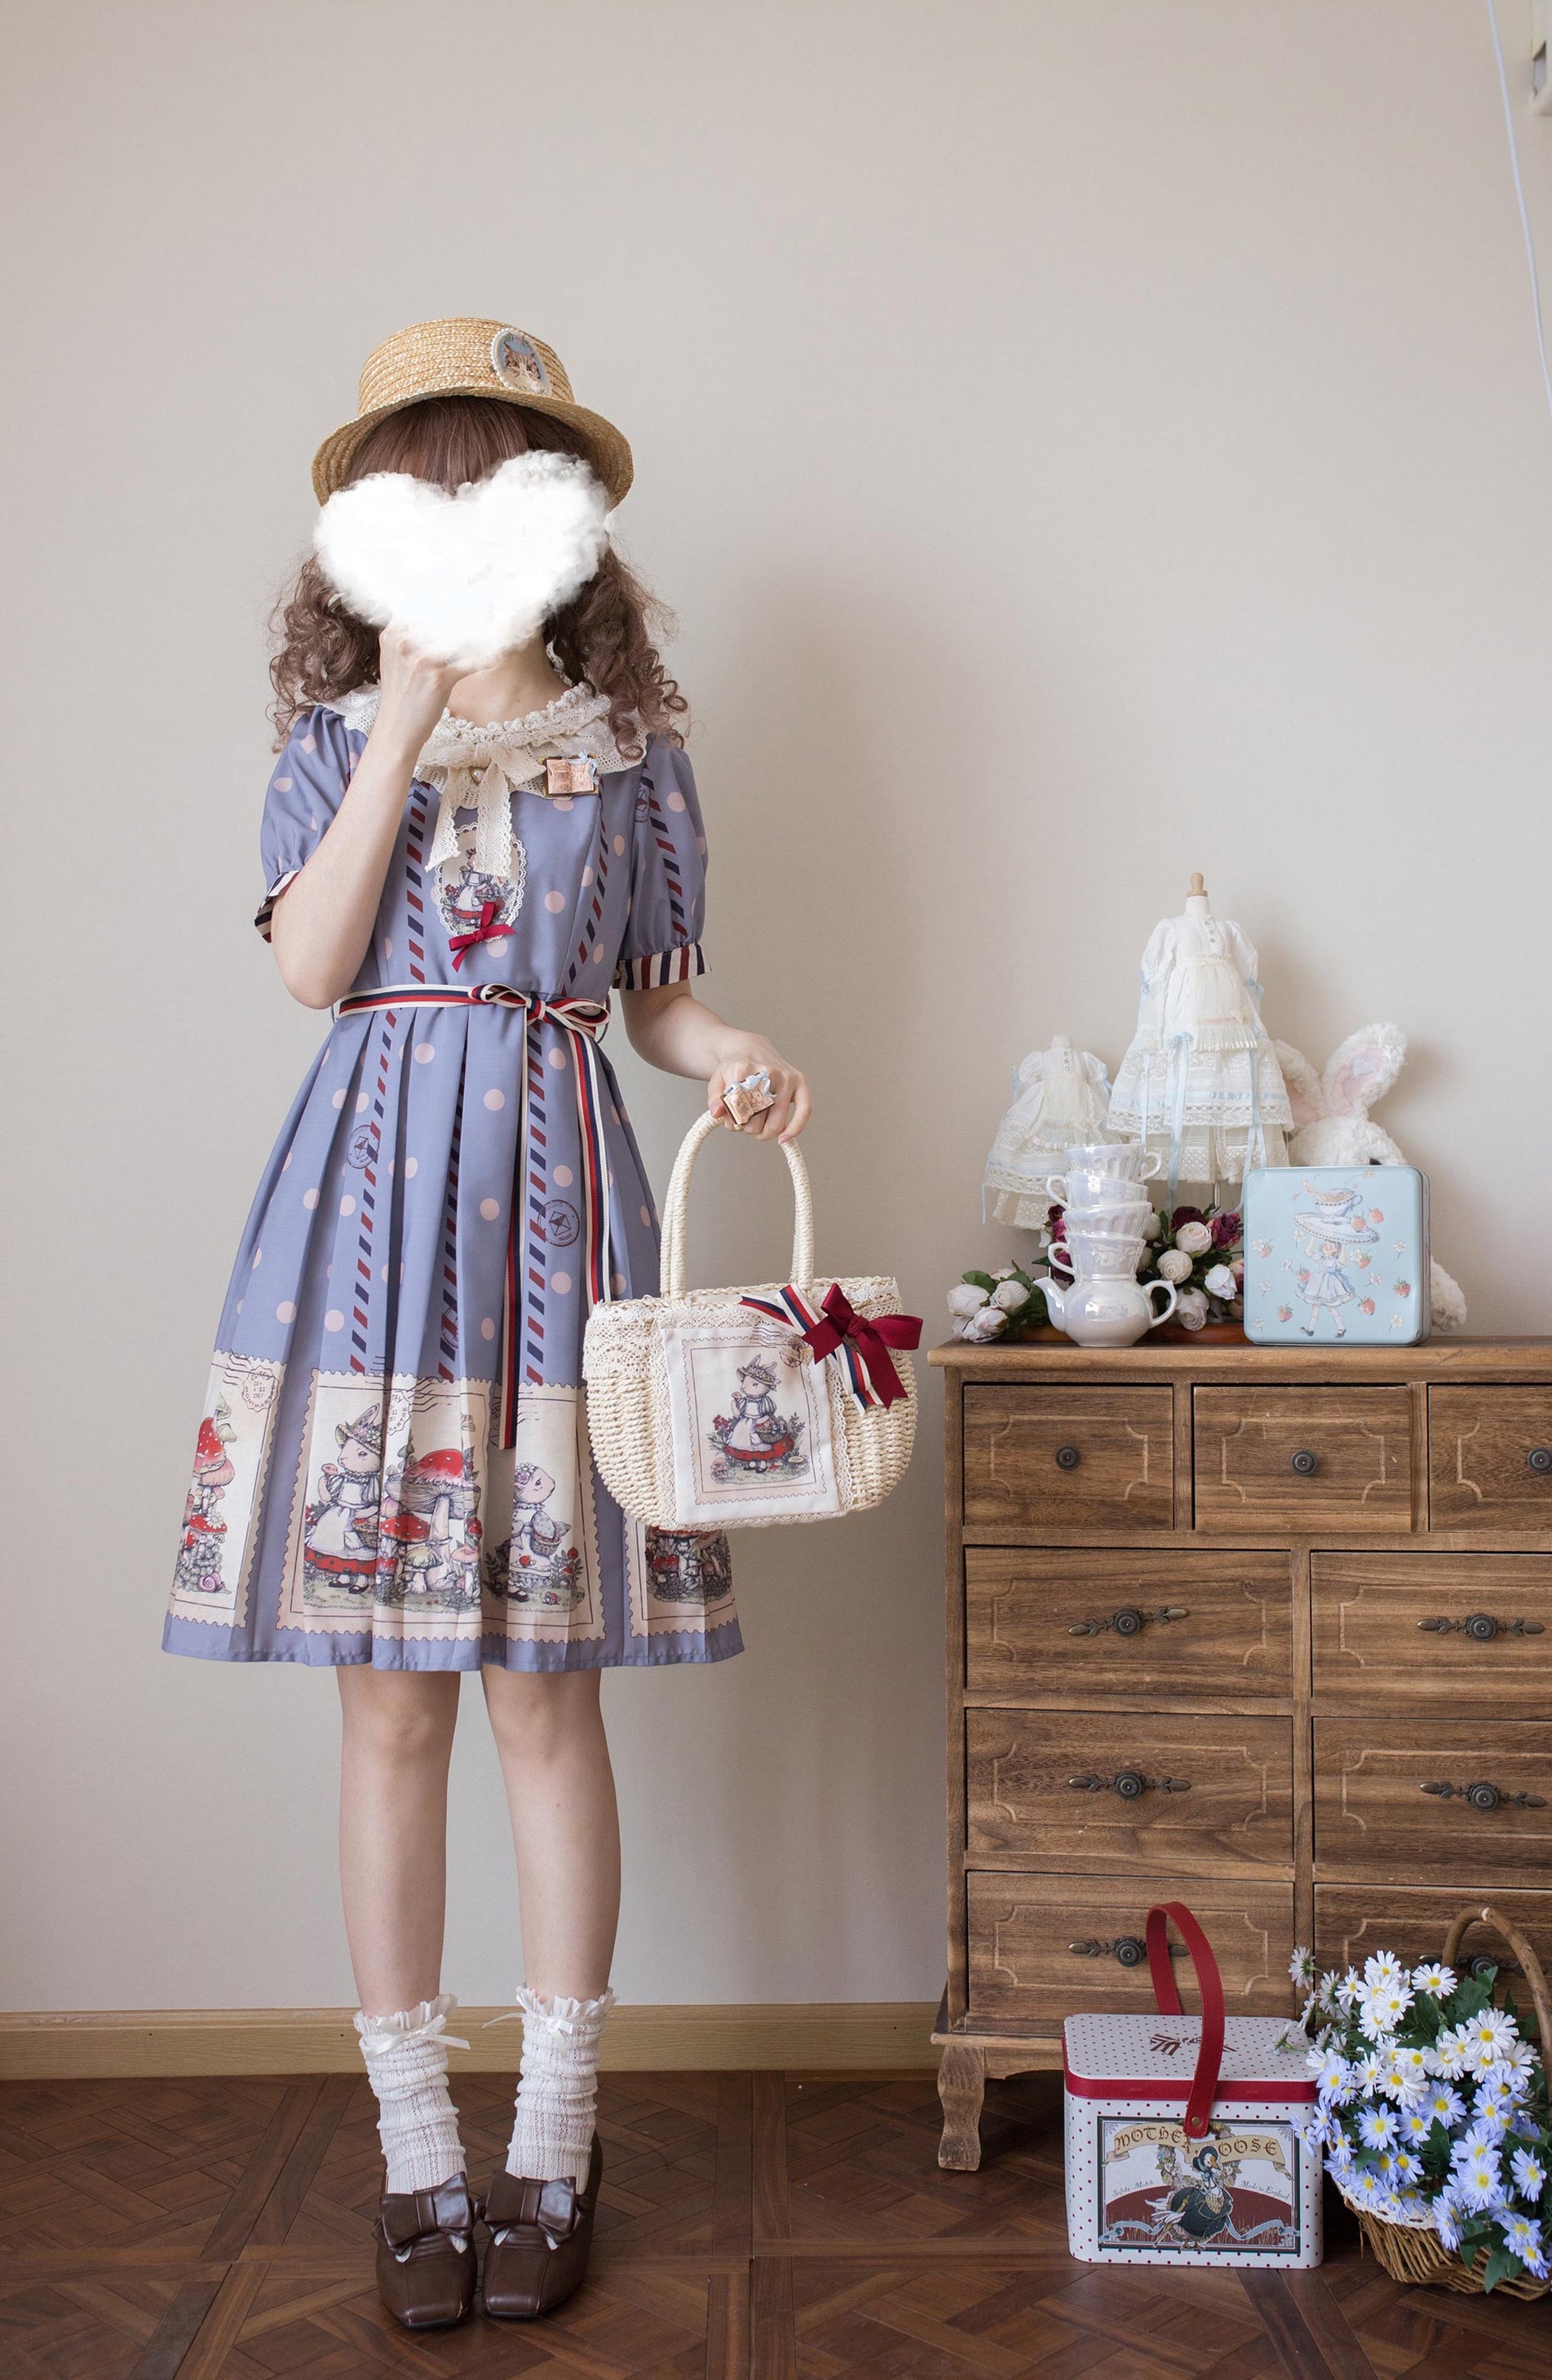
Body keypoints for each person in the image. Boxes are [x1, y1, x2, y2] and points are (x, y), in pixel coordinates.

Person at [163, 317, 811, 2329]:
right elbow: (312, 965)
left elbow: (655, 997)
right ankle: (413, 2154)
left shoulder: (632, 754)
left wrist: (734, 1053)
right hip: (365, 1214)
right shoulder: (327, 740)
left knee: (544, 1689)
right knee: (388, 1699)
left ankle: (551, 2130)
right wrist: (399, 723)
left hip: (557, 1210)